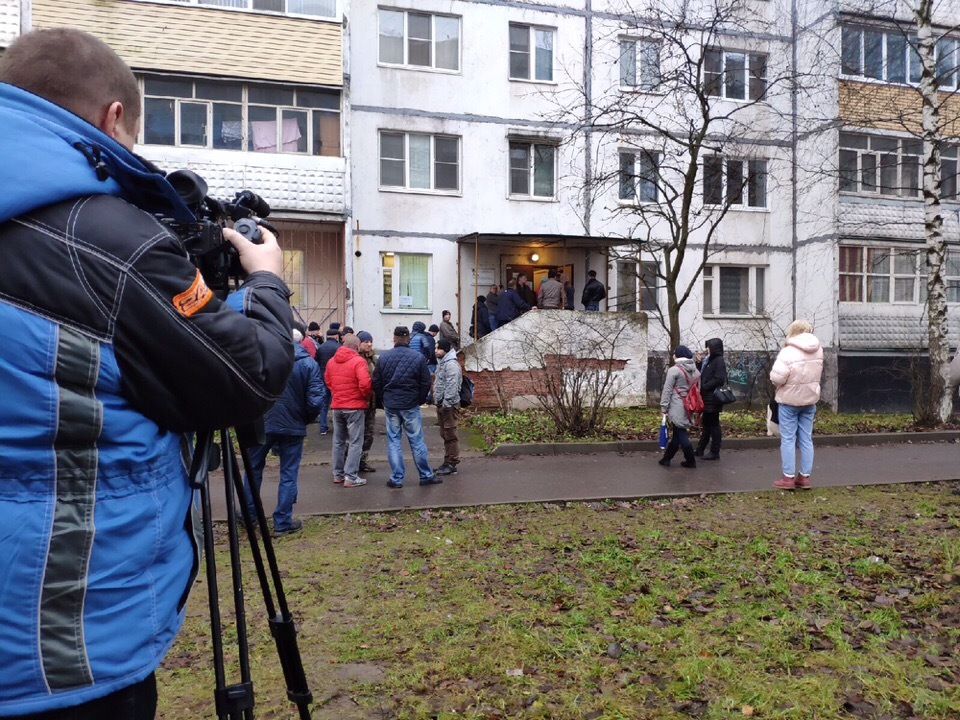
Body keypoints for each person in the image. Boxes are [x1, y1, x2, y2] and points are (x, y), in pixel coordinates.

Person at [0, 29, 295, 719]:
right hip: (62, 644)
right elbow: (243, 377)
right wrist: (267, 285)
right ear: (112, 119)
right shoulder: (102, 239)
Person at [245, 331, 324, 533]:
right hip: (293, 425)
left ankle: (249, 514)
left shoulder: (263, 360)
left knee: (253, 468)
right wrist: (304, 419)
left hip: (263, 423)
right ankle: (282, 521)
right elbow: (316, 400)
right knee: (288, 473)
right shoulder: (309, 364)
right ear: (300, 341)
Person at [372, 326, 440, 488]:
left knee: (394, 441)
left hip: (391, 404)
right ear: (408, 338)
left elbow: (376, 382)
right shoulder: (417, 358)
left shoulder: (383, 358)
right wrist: (419, 400)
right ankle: (425, 475)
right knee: (416, 441)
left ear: (394, 338)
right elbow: (425, 382)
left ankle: (396, 478)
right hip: (410, 404)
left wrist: (384, 399)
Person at [770, 319, 824, 490]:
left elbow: (777, 377)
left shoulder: (788, 351)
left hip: (789, 401)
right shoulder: (818, 350)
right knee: (806, 438)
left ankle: (788, 477)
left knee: (788, 438)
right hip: (809, 400)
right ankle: (804, 477)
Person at [325, 333, 373, 488]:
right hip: (354, 407)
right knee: (355, 442)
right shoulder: (358, 361)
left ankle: (337, 474)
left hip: (337, 405)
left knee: (338, 441)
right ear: (357, 347)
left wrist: (337, 393)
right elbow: (365, 384)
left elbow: (327, 380)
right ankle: (351, 476)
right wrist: (364, 398)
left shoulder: (332, 361)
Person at [658, 345, 700, 468]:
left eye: (675, 353)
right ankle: (666, 459)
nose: (673, 355)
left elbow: (667, 390)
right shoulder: (696, 371)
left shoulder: (674, 370)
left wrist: (664, 407)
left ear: (678, 355)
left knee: (681, 432)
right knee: (677, 432)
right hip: (689, 405)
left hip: (677, 405)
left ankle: (691, 460)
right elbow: (698, 390)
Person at [433, 338, 463, 475]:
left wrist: (445, 403)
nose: (435, 351)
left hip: (449, 406)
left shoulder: (451, 365)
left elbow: (452, 385)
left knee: (450, 433)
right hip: (443, 404)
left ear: (445, 350)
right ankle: (447, 461)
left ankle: (451, 463)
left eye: (438, 348)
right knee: (445, 433)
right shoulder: (442, 363)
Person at [695, 338, 728, 460]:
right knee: (707, 424)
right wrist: (699, 363)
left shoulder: (718, 360)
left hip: (713, 397)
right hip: (707, 397)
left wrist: (705, 387)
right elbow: (702, 375)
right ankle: (700, 449)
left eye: (708, 346)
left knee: (713, 425)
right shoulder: (708, 360)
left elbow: (719, 379)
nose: (706, 349)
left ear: (714, 348)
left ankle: (715, 451)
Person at [357, 330, 379, 473]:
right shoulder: (355, 357)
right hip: (358, 403)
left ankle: (363, 461)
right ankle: (351, 461)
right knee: (354, 435)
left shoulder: (373, 359)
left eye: (370, 341)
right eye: (366, 341)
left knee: (368, 434)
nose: (369, 344)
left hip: (371, 403)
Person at [314, 322, 342, 435]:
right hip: (336, 379)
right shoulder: (339, 348)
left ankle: (323, 427)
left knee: (324, 404)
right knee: (336, 403)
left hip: (323, 378)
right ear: (336, 336)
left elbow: (316, 362)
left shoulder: (320, 348)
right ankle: (337, 427)